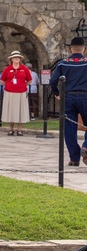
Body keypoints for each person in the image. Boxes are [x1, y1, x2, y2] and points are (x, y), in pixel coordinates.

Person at [50, 37, 87, 166]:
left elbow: (53, 81)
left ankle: (74, 158)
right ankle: (86, 147)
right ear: (84, 49)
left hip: (68, 97)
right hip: (85, 96)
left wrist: (56, 93)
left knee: (69, 129)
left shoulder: (63, 64)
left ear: (70, 49)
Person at [0, 51, 31, 136]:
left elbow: (29, 80)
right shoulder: (7, 69)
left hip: (21, 92)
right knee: (11, 110)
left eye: (18, 57)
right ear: (11, 59)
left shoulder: (24, 68)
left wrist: (22, 85)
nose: (16, 59)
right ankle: (10, 128)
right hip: (10, 92)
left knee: (20, 110)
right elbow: (2, 81)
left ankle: (19, 129)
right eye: (14, 57)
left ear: (20, 59)